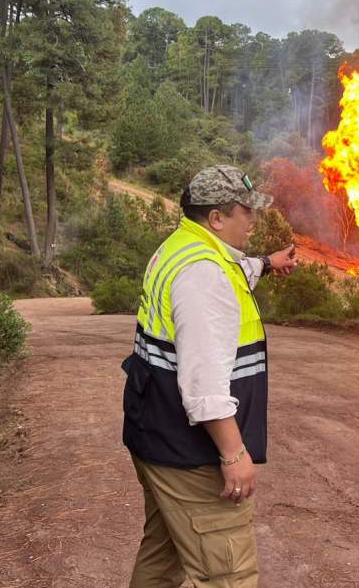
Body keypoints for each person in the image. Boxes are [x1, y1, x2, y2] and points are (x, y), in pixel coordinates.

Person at [122, 165, 298, 588]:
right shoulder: (204, 272)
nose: (253, 220)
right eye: (246, 211)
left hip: (155, 435)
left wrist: (267, 265)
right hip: (189, 454)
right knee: (227, 574)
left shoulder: (184, 247)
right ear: (217, 218)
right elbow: (202, 385)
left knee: (163, 558)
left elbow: (229, 271)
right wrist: (234, 454)